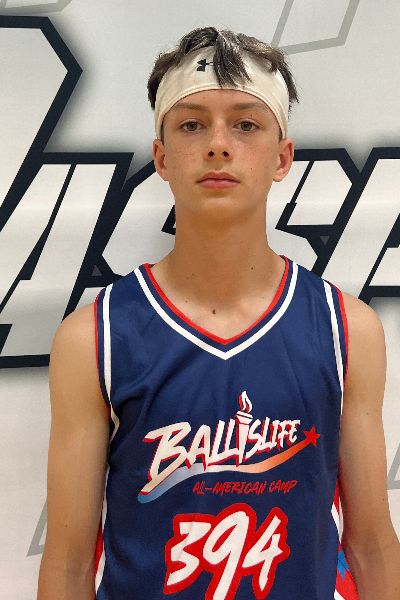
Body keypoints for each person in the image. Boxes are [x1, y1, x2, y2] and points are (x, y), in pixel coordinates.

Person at [37, 27, 400, 600]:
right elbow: (68, 565)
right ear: (161, 157)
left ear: (282, 158)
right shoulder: (95, 338)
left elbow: (372, 545)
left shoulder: (346, 330)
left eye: (246, 124)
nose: (218, 145)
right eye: (192, 124)